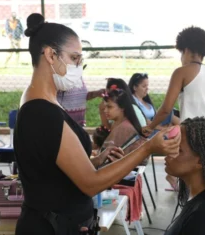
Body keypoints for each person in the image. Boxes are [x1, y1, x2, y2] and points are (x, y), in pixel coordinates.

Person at [14, 13, 180, 235]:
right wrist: (147, 148)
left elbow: (54, 164)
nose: (78, 67)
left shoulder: (40, 99)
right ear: (50, 55)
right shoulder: (42, 111)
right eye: (74, 59)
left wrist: (97, 159)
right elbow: (90, 184)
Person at [142, 26, 205, 135]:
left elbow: (166, 109)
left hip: (197, 133)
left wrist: (150, 127)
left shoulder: (181, 72)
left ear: (186, 50)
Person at [100, 86, 149, 165]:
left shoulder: (124, 128)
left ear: (122, 108)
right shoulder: (117, 124)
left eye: (109, 107)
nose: (105, 110)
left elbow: (109, 160)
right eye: (105, 107)